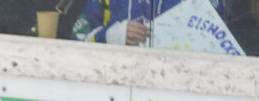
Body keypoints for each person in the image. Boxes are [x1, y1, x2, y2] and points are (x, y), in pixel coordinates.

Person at [72, 0, 227, 45]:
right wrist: (110, 36)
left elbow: (221, 44)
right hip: (116, 89)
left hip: (181, 92)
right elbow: (76, 42)